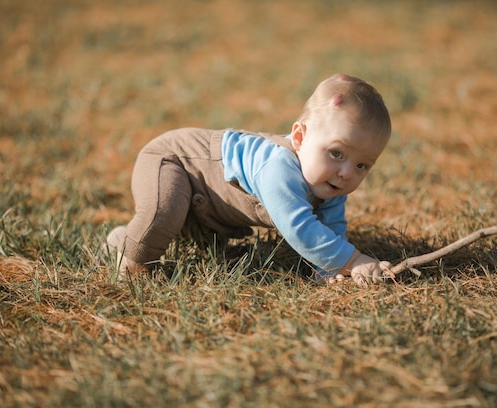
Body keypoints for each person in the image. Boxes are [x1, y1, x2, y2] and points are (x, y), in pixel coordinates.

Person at [106, 74, 394, 286]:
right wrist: (353, 260)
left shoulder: (331, 183)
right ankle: (131, 266)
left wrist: (330, 271)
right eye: (336, 153)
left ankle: (124, 239)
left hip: (208, 204)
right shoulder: (279, 167)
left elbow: (331, 229)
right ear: (299, 137)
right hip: (175, 161)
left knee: (188, 233)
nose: (346, 173)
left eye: (361, 165)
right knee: (163, 211)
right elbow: (299, 228)